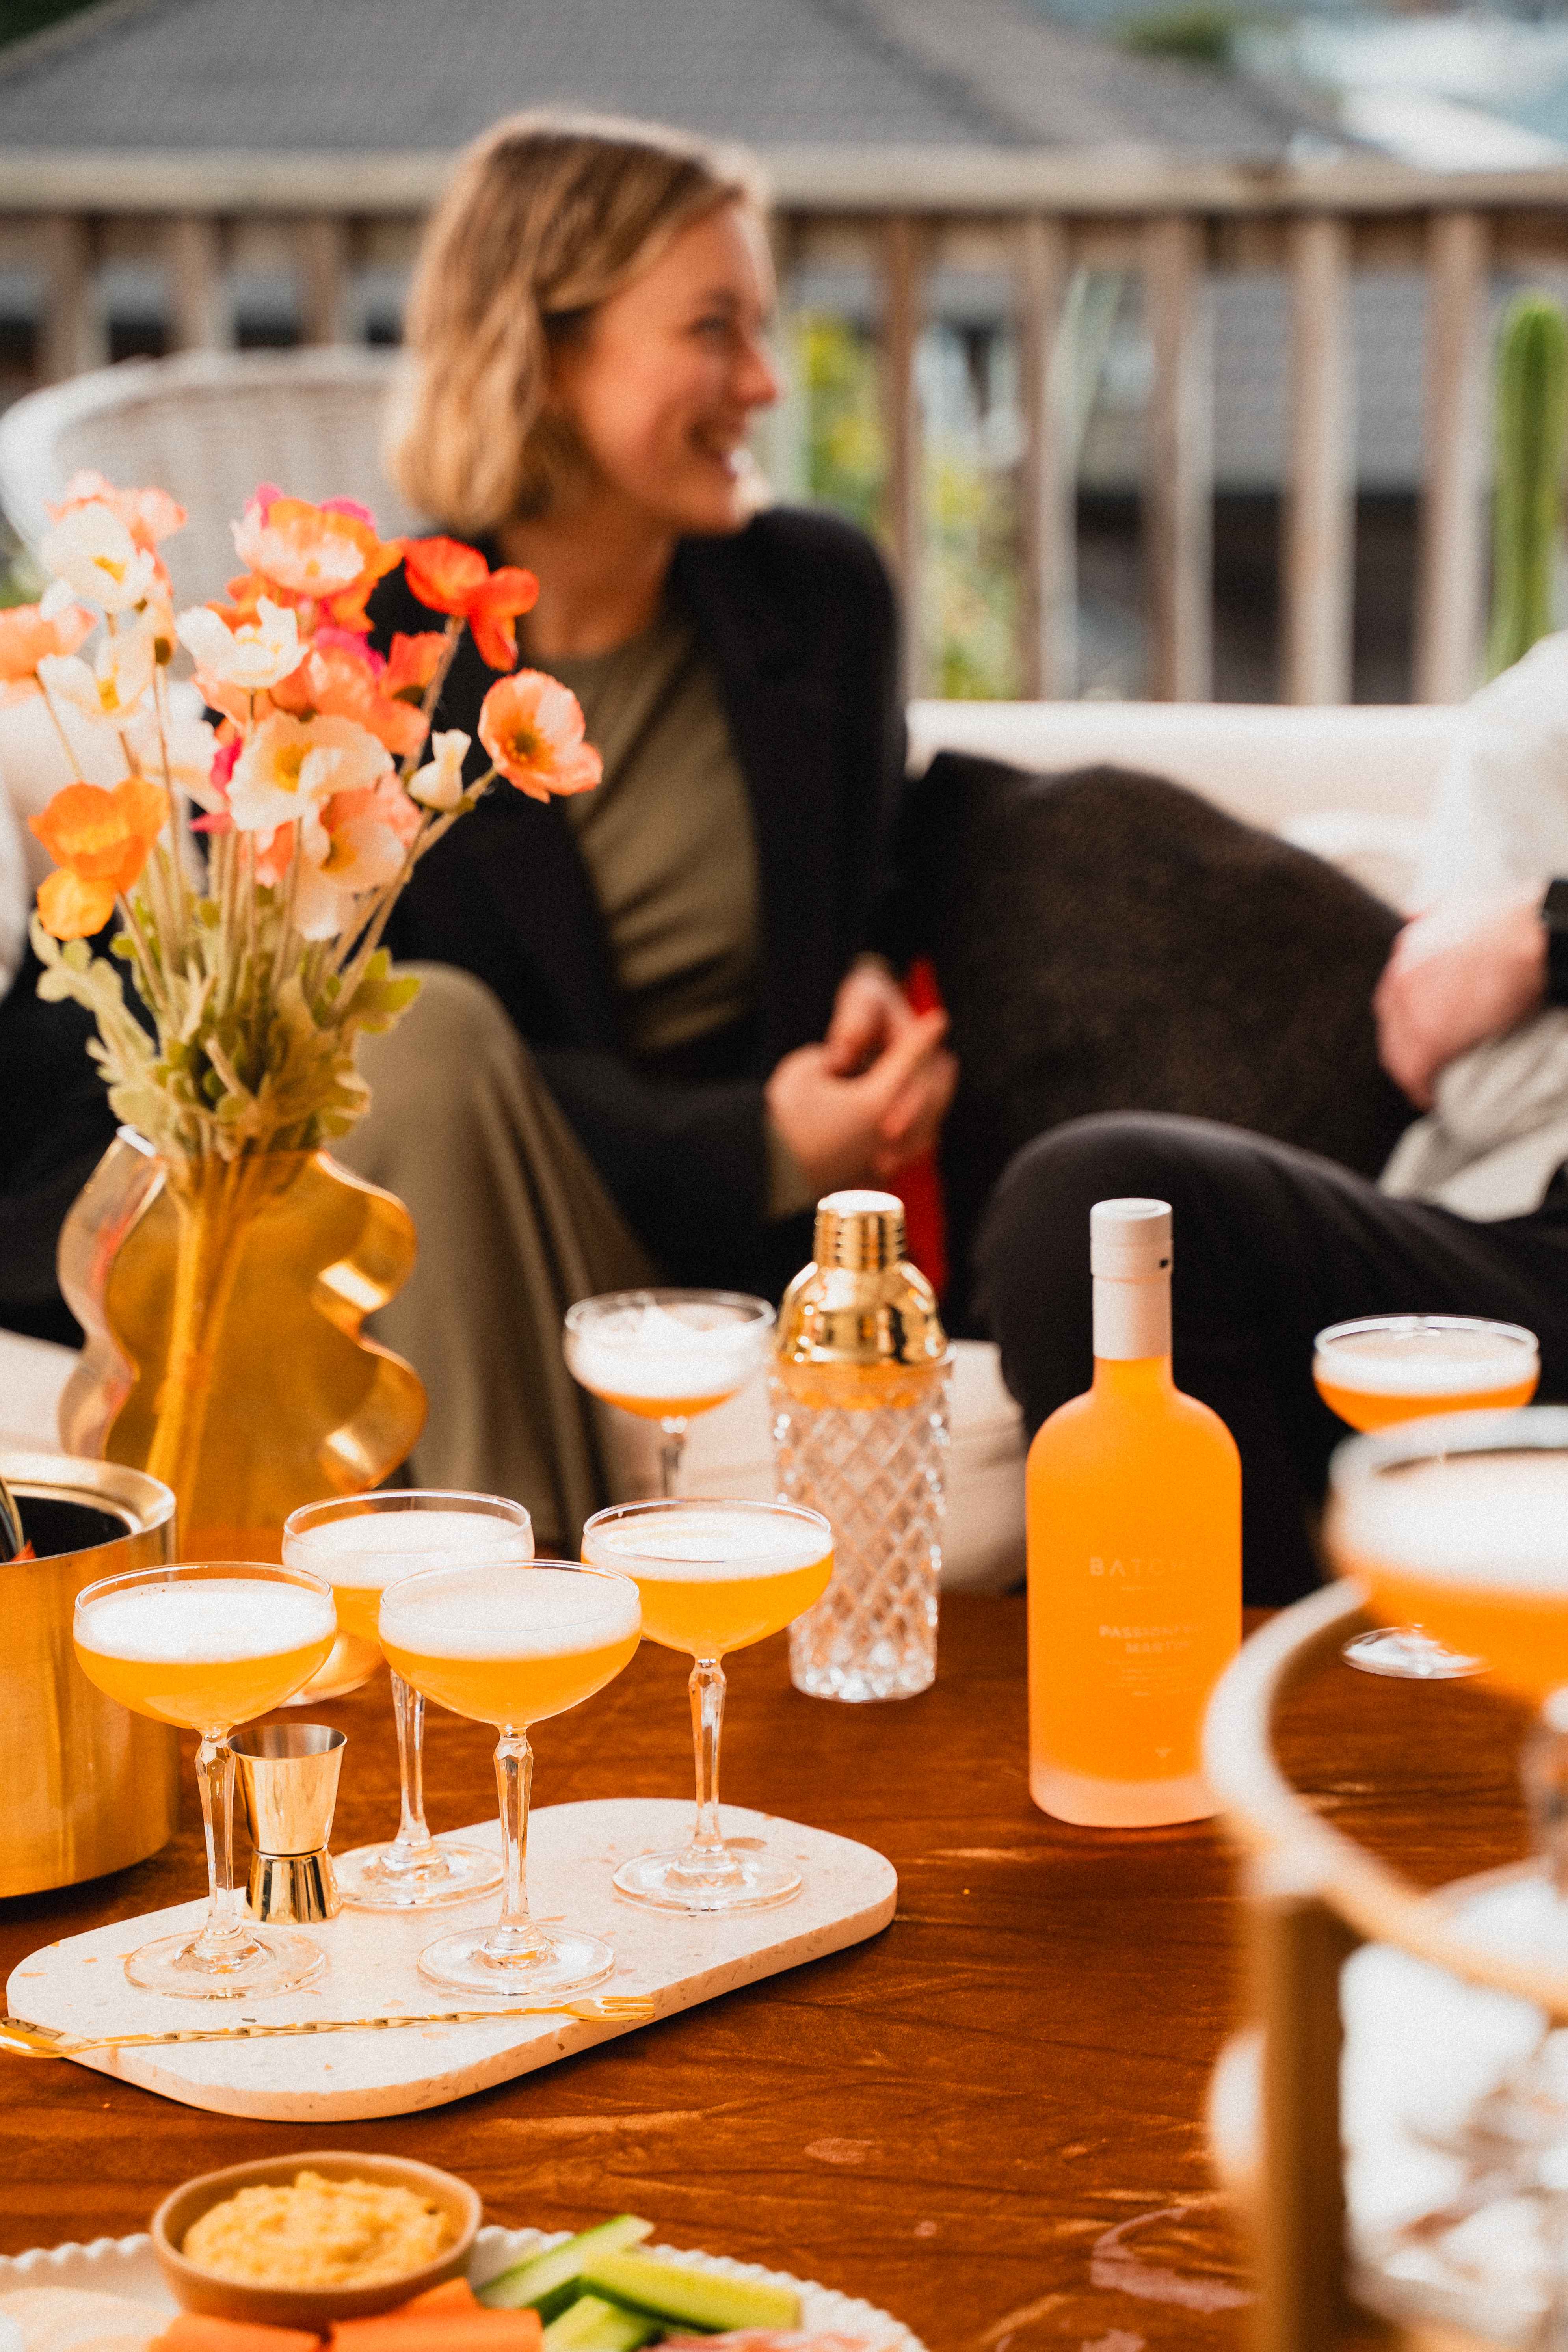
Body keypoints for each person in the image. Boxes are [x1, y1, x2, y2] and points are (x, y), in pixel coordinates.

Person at [338, 112, 955, 1548]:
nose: (760, 383)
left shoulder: (818, 597)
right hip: (469, 1226)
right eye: (712, 330)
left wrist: (874, 969)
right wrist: (757, 1143)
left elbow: (884, 862)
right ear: (545, 353)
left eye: (762, 328)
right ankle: (509, 1629)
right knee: (414, 1033)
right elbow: (363, 1086)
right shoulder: (372, 657)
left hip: (718, 1261)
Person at [977, 655, 1568, 1606]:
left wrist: (1550, 931)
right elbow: (1475, 1077)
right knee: (1102, 1203)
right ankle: (1261, 1724)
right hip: (1528, 1255)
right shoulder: (1546, 717)